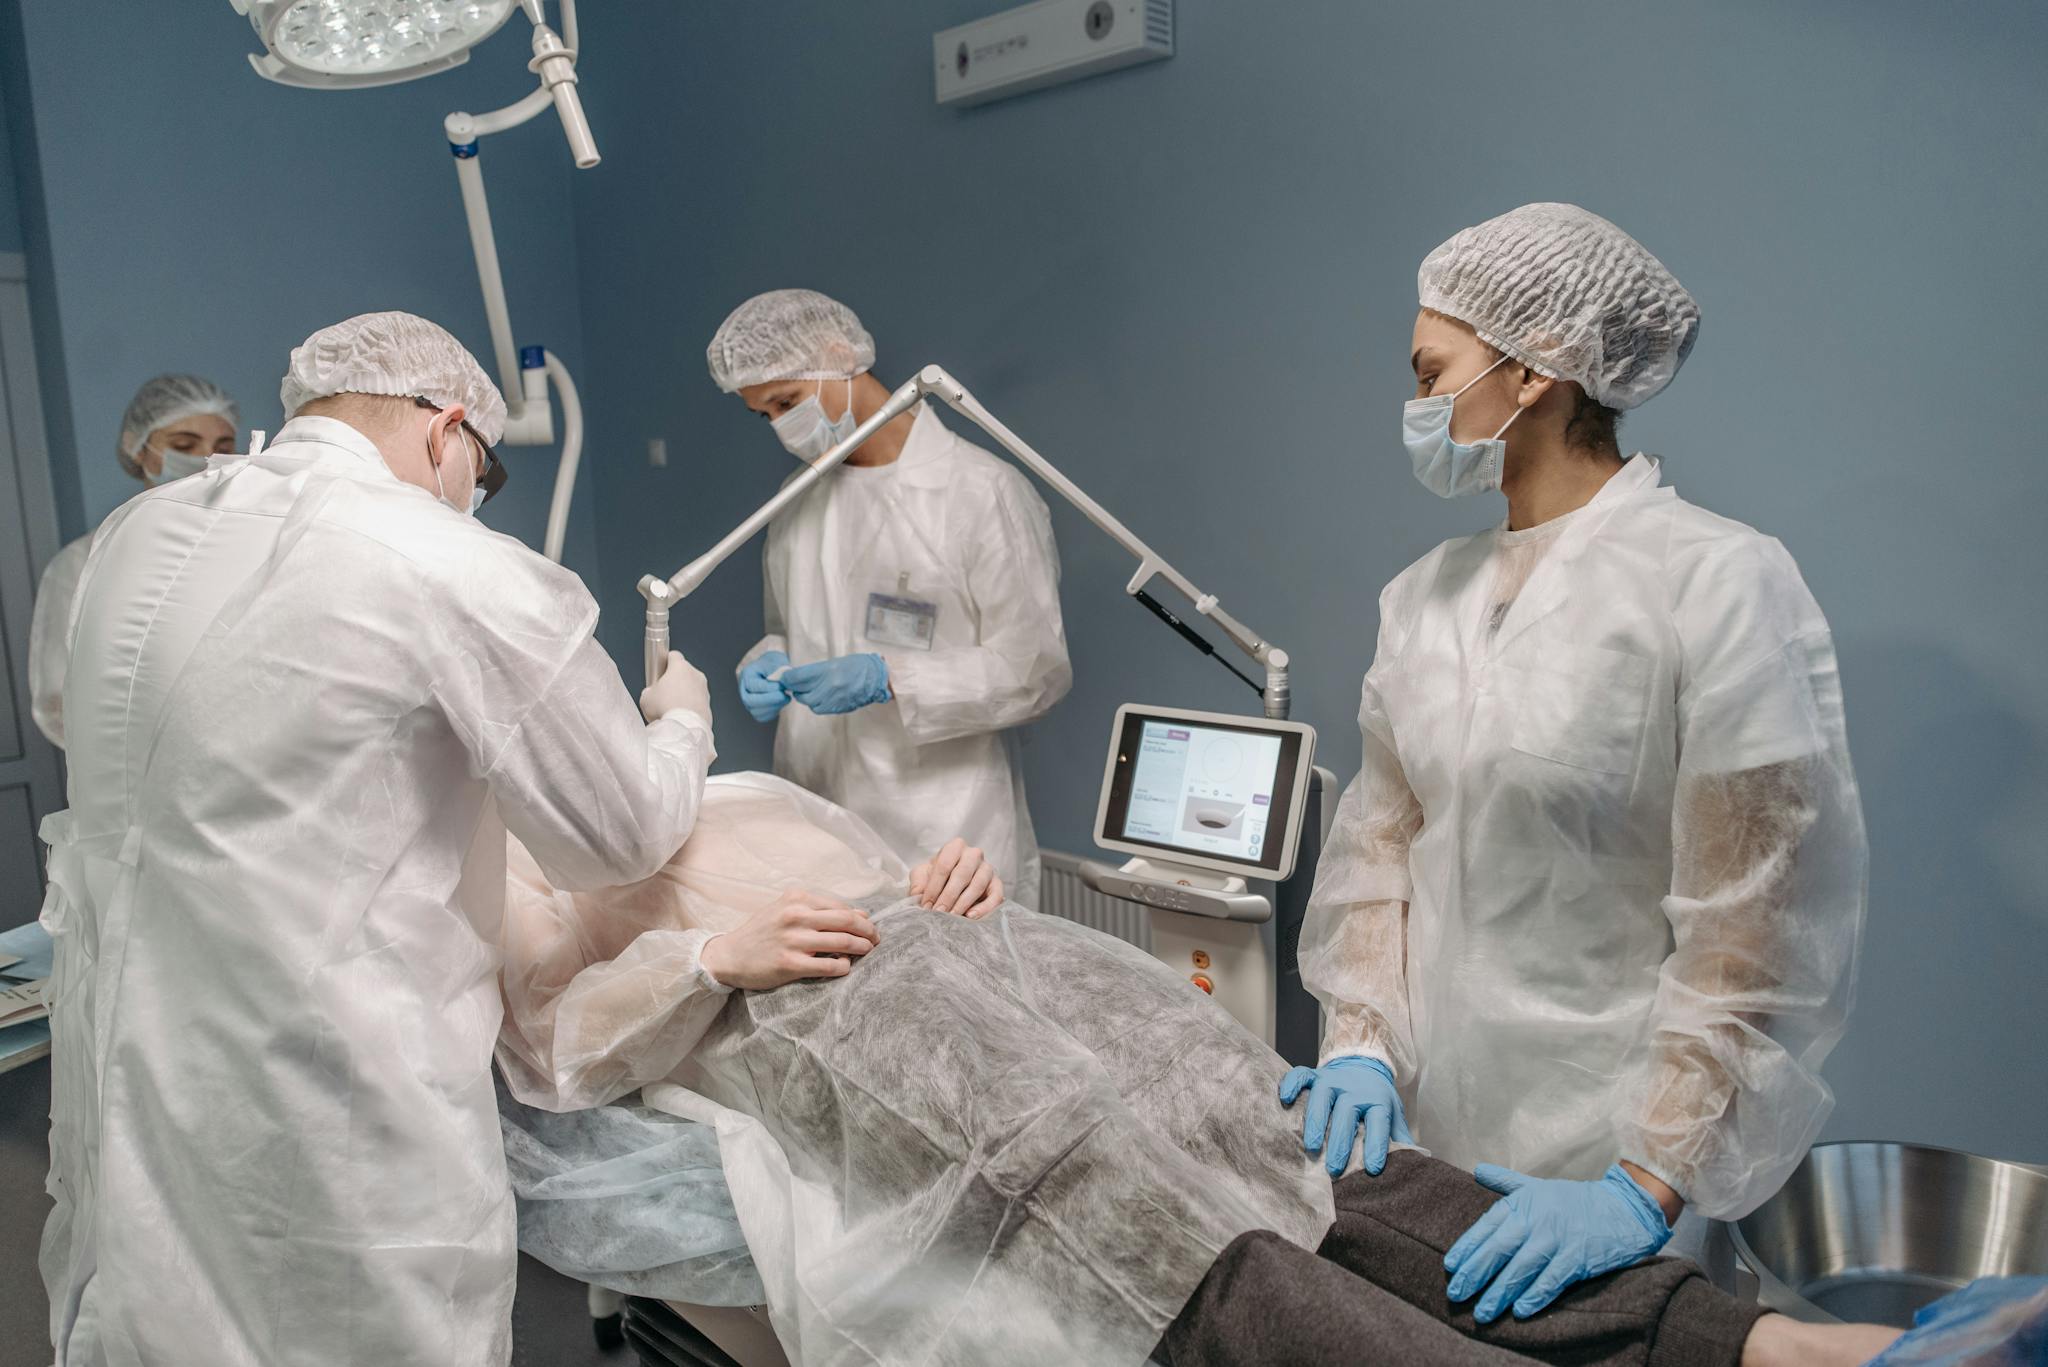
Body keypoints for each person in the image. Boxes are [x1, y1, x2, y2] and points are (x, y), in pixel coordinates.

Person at [495, 770, 1908, 1367]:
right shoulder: (508, 851)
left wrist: (940, 864)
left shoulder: (687, 778)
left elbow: (866, 844)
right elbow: (551, 1041)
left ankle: (1758, 1342)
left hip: (984, 943)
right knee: (1130, 1199)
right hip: (829, 1016)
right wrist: (703, 958)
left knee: (1270, 1120)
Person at [36, 312, 726, 1367]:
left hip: (146, 1059)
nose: (473, 496)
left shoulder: (132, 541)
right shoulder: (446, 557)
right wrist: (681, 720)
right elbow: (620, 833)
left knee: (165, 1319)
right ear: (448, 428)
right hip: (339, 1086)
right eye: (482, 474)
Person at [1285, 204, 1866, 1321]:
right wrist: (1358, 1044)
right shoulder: (1421, 599)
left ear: (1531, 371)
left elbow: (1753, 924)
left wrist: (1644, 1181)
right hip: (1424, 1133)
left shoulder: (1714, 582)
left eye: (1432, 370)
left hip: (1603, 1159)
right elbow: (1379, 846)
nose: (1416, 405)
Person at [706, 288, 1072, 907]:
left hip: (946, 835)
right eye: (764, 414)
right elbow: (792, 627)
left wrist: (890, 677)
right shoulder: (798, 500)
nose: (781, 427)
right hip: (820, 821)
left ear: (839, 355)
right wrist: (765, 660)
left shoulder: (980, 493)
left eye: (787, 401)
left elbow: (1034, 670)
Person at [26, 373, 239, 748]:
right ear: (138, 449)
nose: (207, 459)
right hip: (133, 784)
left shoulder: (249, 545)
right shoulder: (81, 564)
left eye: (224, 445)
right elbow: (57, 704)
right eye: (184, 444)